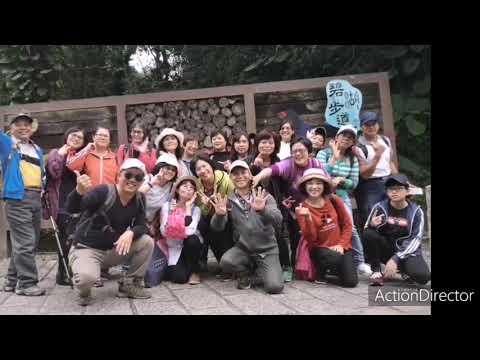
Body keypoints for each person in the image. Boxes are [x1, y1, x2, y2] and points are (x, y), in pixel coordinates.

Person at [66, 158, 154, 306]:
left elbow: (142, 225)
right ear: (119, 175)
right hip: (87, 248)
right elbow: (73, 208)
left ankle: (129, 284)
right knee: (86, 279)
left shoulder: (139, 198)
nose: (133, 180)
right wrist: (78, 191)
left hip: (112, 249)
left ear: (142, 181)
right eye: (128, 175)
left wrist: (131, 232)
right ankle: (83, 286)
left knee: (146, 242)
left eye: (138, 177)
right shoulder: (103, 192)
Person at [252, 138, 327, 268]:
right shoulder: (289, 164)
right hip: (295, 209)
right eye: (294, 151)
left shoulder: (317, 164)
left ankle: (319, 265)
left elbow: (327, 184)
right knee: (296, 239)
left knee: (318, 236)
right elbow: (272, 169)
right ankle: (297, 265)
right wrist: (258, 176)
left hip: (315, 207)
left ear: (309, 152)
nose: (297, 154)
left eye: (301, 151)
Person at [211, 160, 284, 294]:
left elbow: (278, 219)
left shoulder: (263, 196)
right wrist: (219, 215)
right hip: (244, 248)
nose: (239, 176)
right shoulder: (228, 200)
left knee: (274, 287)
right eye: (235, 174)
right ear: (230, 178)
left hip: (267, 249)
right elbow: (217, 227)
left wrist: (263, 210)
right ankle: (245, 275)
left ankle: (260, 272)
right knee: (226, 261)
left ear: (250, 175)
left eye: (243, 172)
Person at [0, 113, 46, 296]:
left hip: (35, 198)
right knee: (26, 242)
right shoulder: (7, 144)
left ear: (32, 128)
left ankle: (11, 281)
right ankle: (26, 284)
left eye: (27, 124)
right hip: (17, 198)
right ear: (11, 128)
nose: (23, 127)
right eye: (18, 124)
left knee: (27, 243)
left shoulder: (36, 149)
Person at [317, 125, 372, 276]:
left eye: (350, 137)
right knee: (326, 226)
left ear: (353, 142)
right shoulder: (323, 153)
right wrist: (334, 157)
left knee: (350, 227)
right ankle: (327, 262)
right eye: (343, 135)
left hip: (341, 196)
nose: (346, 139)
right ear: (336, 137)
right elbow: (320, 174)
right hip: (323, 196)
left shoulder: (352, 159)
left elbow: (353, 182)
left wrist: (341, 180)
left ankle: (359, 261)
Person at [363, 174, 430, 286]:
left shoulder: (416, 212)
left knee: (423, 277)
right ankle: (376, 272)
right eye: (391, 189)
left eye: (399, 189)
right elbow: (366, 230)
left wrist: (396, 258)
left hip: (407, 252)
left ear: (407, 191)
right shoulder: (379, 207)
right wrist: (372, 225)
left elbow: (416, 239)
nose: (394, 192)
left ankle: (403, 270)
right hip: (386, 249)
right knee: (369, 233)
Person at [295, 168, 358, 288]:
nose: (314, 187)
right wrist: (308, 218)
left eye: (318, 183)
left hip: (340, 245)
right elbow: (311, 239)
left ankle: (335, 269)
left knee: (351, 282)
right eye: (310, 183)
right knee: (333, 258)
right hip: (320, 249)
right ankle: (321, 271)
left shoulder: (334, 200)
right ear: (304, 186)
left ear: (324, 185)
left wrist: (341, 244)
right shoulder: (301, 208)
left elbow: (347, 224)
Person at [45, 127, 88, 285]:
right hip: (61, 203)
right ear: (66, 136)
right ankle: (63, 274)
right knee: (65, 238)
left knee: (77, 238)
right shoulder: (56, 153)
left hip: (79, 202)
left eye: (80, 138)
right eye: (73, 135)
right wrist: (62, 153)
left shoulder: (82, 157)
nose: (76, 139)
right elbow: (54, 172)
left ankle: (73, 270)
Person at [248, 130, 292, 282]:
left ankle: (286, 265)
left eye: (271, 142)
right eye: (263, 142)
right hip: (254, 205)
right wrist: (254, 167)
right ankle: (260, 265)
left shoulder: (279, 162)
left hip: (276, 204)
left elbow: (286, 183)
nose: (267, 145)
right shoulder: (250, 160)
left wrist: (286, 199)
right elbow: (245, 183)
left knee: (280, 233)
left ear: (276, 145)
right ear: (257, 144)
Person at [190, 155, 235, 276]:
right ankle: (201, 264)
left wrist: (222, 206)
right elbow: (201, 212)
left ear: (211, 165)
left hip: (228, 215)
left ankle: (228, 264)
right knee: (203, 226)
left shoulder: (226, 180)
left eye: (204, 166)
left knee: (221, 225)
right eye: (198, 169)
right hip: (208, 216)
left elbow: (236, 201)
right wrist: (206, 205)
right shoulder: (198, 186)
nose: (203, 171)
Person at [155, 176, 203, 285]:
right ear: (177, 189)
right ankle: (183, 267)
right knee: (179, 278)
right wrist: (172, 214)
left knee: (193, 239)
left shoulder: (196, 209)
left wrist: (188, 209)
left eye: (191, 188)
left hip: (189, 246)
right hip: (173, 247)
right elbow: (164, 231)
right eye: (185, 186)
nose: (188, 189)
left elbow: (190, 231)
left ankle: (194, 271)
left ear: (194, 193)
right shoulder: (167, 206)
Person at [355, 111, 398, 229]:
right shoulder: (359, 147)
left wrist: (399, 180)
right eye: (367, 124)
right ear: (361, 127)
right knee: (372, 220)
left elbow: (390, 162)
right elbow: (365, 175)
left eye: (373, 123)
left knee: (391, 218)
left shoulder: (385, 140)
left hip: (389, 182)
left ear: (378, 125)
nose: (371, 127)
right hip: (370, 187)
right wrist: (377, 156)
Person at [138, 153, 178, 223]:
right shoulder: (148, 178)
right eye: (168, 168)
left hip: (153, 222)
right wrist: (153, 182)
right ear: (160, 167)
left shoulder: (172, 186)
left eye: (173, 170)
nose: (170, 172)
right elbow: (136, 195)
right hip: (136, 219)